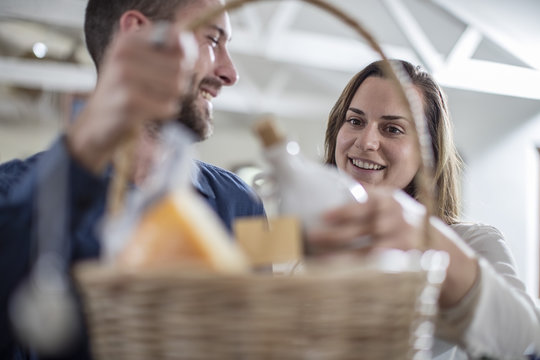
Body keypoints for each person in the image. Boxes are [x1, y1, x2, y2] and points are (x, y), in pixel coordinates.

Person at [0, 0, 264, 359]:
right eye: (213, 40)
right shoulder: (10, 193)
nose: (230, 73)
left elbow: (267, 324)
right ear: (139, 35)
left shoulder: (243, 203)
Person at [309, 59, 540, 359]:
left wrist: (429, 242)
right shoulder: (309, 243)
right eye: (355, 121)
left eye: (392, 129)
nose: (367, 141)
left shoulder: (472, 243)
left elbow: (525, 344)